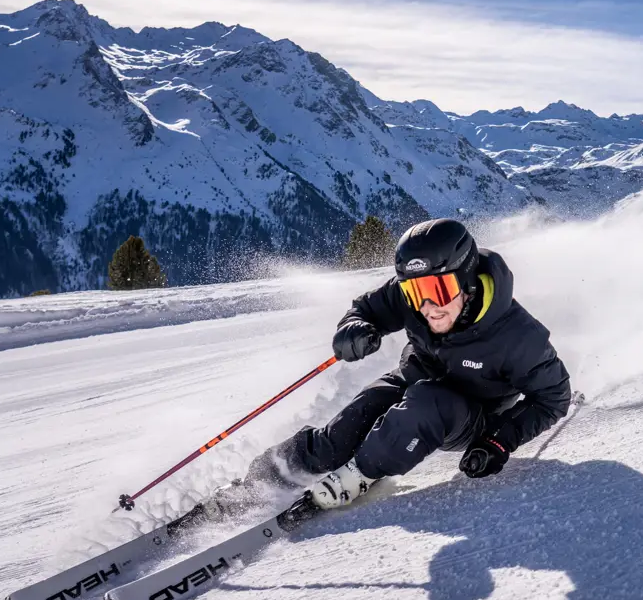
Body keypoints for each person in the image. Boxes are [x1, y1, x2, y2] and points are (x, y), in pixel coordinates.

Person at [237, 218, 572, 511]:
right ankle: (261, 481)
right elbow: (366, 309)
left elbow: (553, 398)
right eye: (415, 292)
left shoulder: (517, 337)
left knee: (428, 403)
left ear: (468, 282)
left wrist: (499, 440)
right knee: (342, 433)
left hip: (472, 417)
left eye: (439, 290)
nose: (428, 307)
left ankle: (360, 474)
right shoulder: (411, 299)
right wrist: (354, 329)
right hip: (413, 379)